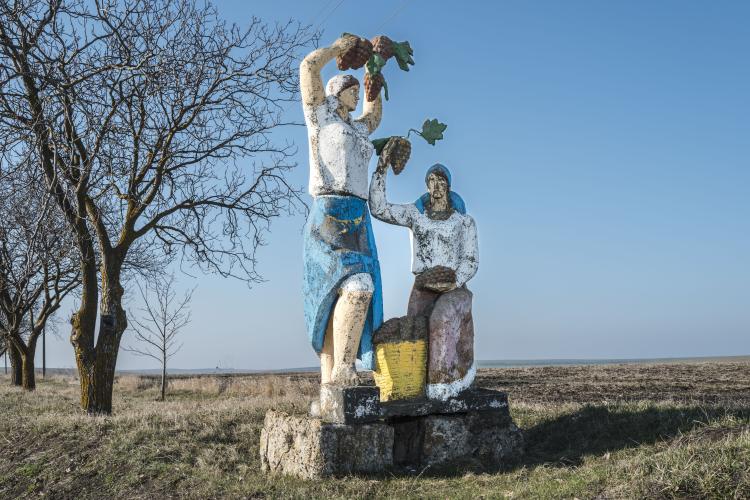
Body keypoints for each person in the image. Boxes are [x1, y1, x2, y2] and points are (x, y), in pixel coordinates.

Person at [300, 36, 384, 386]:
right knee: (352, 287)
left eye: (358, 92)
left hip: (359, 216)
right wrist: (339, 48)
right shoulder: (320, 115)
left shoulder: (358, 128)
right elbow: (308, 67)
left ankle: (330, 389)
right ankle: (343, 372)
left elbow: (373, 115)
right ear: (337, 91)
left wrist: (374, 71)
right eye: (353, 91)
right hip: (329, 213)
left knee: (349, 291)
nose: (357, 97)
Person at [369, 153, 479, 400]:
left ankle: (443, 383)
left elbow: (471, 260)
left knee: (441, 318)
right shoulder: (415, 214)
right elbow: (379, 209)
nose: (436, 185)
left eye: (441, 181)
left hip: (454, 287)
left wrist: (455, 280)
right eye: (432, 180)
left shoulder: (464, 222)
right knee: (414, 331)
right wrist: (381, 169)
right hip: (423, 284)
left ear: (448, 186)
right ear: (427, 185)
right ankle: (414, 386)